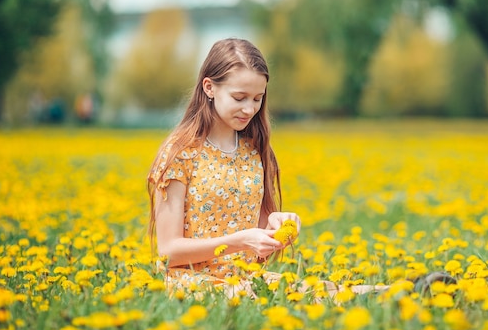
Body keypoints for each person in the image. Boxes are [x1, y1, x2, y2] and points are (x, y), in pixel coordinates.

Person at [147, 38, 454, 300]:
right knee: (291, 299)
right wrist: (239, 241)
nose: (250, 109)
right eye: (239, 97)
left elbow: (254, 233)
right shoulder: (180, 153)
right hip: (193, 286)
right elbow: (168, 251)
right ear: (209, 88)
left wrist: (275, 225)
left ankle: (402, 292)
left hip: (247, 279)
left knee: (314, 291)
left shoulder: (253, 149)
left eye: (257, 98)